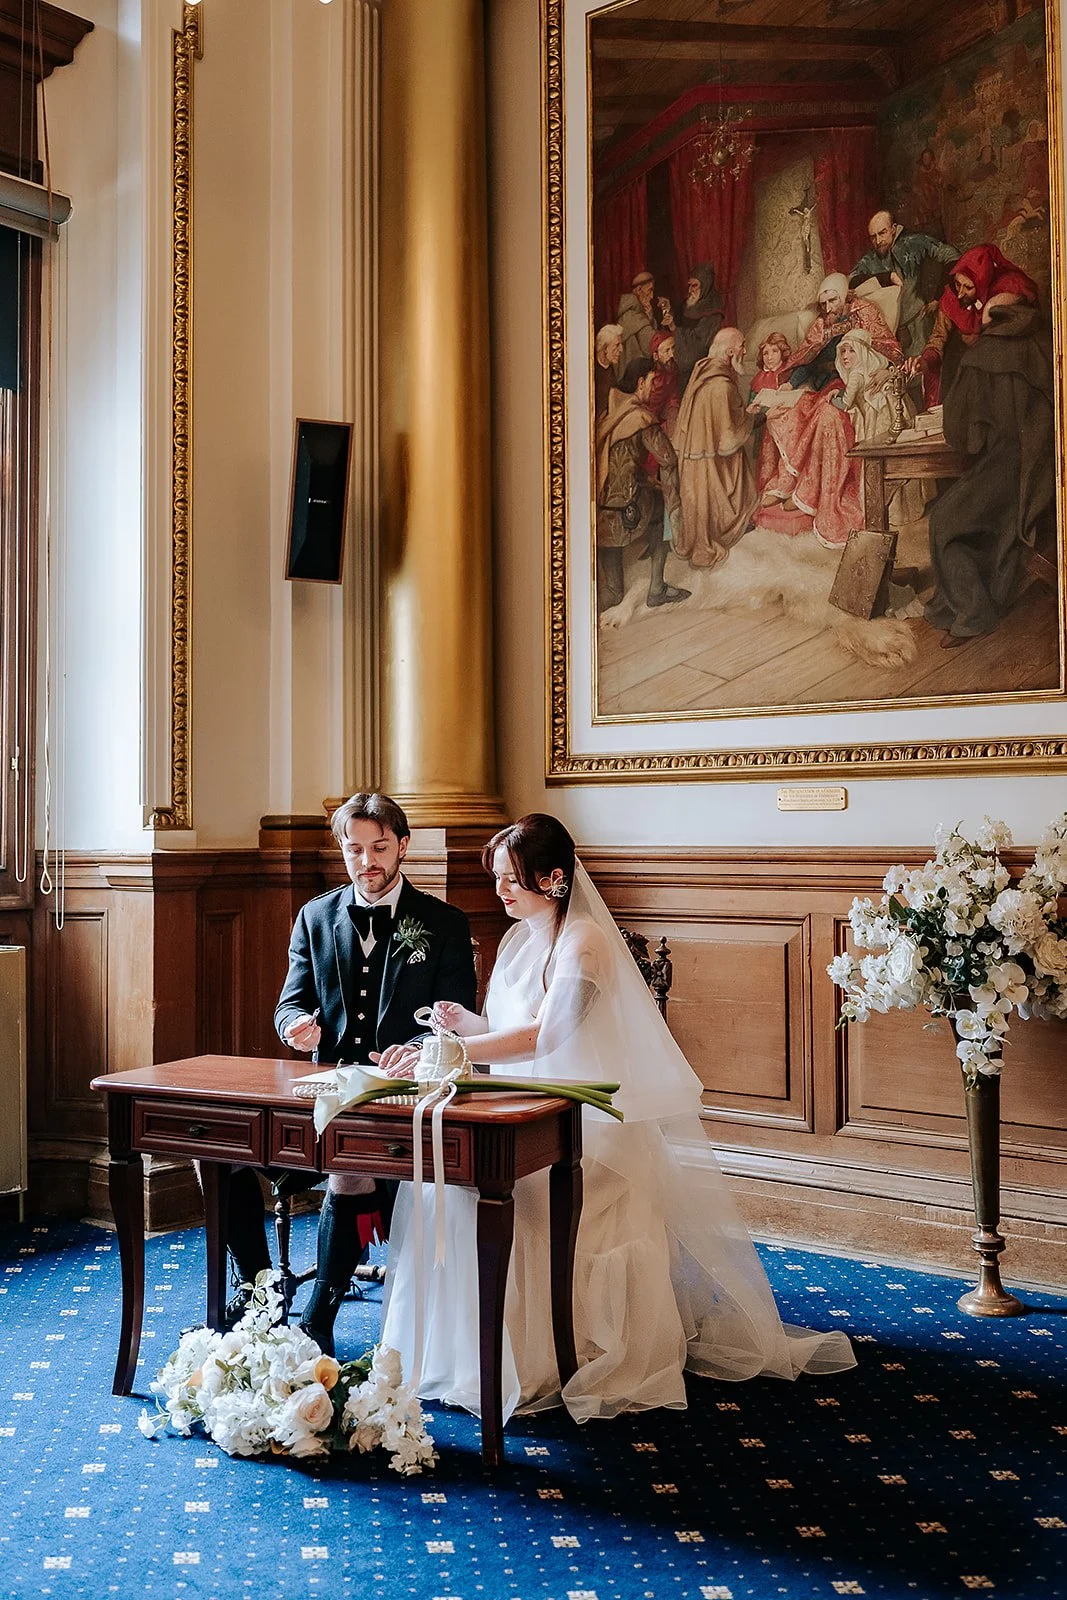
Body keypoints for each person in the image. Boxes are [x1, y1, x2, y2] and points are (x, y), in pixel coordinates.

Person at [377, 815, 856, 1422]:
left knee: (504, 1197)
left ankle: (542, 1360)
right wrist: (461, 1025)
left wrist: (462, 1051)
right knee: (443, 1185)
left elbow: (550, 1037)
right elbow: (505, 1033)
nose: (499, 892)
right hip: (519, 1108)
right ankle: (462, 1357)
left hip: (587, 1124)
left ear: (552, 878)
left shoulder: (586, 944)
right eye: (496, 878)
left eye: (510, 880)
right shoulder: (518, 939)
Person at [272, 791, 478, 1354]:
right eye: (354, 849)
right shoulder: (315, 917)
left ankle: (318, 1315)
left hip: (412, 1095)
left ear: (403, 846)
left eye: (379, 848)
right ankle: (254, 1293)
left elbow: (455, 1020)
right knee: (225, 1160)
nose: (367, 861)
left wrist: (418, 1048)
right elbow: (288, 1004)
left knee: (348, 1169)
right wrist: (296, 1028)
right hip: (330, 1087)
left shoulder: (443, 923)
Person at [925, 297, 1054, 647]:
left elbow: (963, 435)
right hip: (1043, 475)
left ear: (991, 317)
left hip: (1005, 466)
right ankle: (973, 600)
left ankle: (973, 613)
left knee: (943, 521)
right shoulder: (1046, 344)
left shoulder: (982, 354)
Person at [595, 357, 690, 612]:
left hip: (602, 510)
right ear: (640, 382)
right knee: (663, 507)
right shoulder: (640, 417)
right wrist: (673, 489)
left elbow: (620, 464)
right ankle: (657, 589)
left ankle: (606, 593)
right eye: (651, 381)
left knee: (613, 593)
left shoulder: (610, 412)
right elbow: (668, 458)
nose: (653, 387)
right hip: (628, 508)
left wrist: (649, 480)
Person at [908, 243, 1039, 407]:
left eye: (968, 287)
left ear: (983, 281)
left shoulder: (1008, 291)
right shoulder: (952, 296)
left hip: (999, 366)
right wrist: (925, 361)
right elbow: (938, 337)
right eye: (957, 284)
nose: (960, 293)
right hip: (965, 367)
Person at [673, 327, 758, 569]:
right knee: (742, 471)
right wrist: (752, 416)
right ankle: (730, 527)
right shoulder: (721, 386)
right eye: (742, 345)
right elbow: (729, 439)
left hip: (694, 459)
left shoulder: (703, 374)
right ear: (730, 352)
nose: (745, 350)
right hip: (710, 462)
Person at [848, 208, 959, 359]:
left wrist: (938, 296)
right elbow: (851, 281)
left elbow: (952, 256)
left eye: (882, 233)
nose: (878, 241)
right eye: (873, 237)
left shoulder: (914, 243)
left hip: (919, 324)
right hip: (889, 334)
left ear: (893, 229)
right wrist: (887, 277)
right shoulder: (870, 260)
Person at [747, 331, 793, 501]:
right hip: (763, 429)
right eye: (766, 353)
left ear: (782, 352)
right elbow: (750, 404)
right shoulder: (757, 379)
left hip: (785, 428)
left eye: (774, 351)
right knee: (765, 464)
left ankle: (784, 491)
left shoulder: (788, 375)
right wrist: (751, 408)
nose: (770, 357)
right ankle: (766, 493)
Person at [666, 263, 725, 391]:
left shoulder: (713, 310)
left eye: (695, 286)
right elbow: (678, 325)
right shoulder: (687, 304)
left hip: (699, 367)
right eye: (689, 285)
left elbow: (701, 343)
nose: (690, 290)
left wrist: (676, 330)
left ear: (705, 285)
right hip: (681, 365)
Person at [616, 269, 671, 367]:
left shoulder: (631, 313)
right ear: (639, 290)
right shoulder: (634, 315)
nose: (652, 296)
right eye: (649, 290)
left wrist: (649, 318)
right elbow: (652, 346)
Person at [593, 322, 624, 419]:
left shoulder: (611, 369)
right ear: (605, 348)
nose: (621, 349)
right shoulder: (592, 372)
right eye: (617, 345)